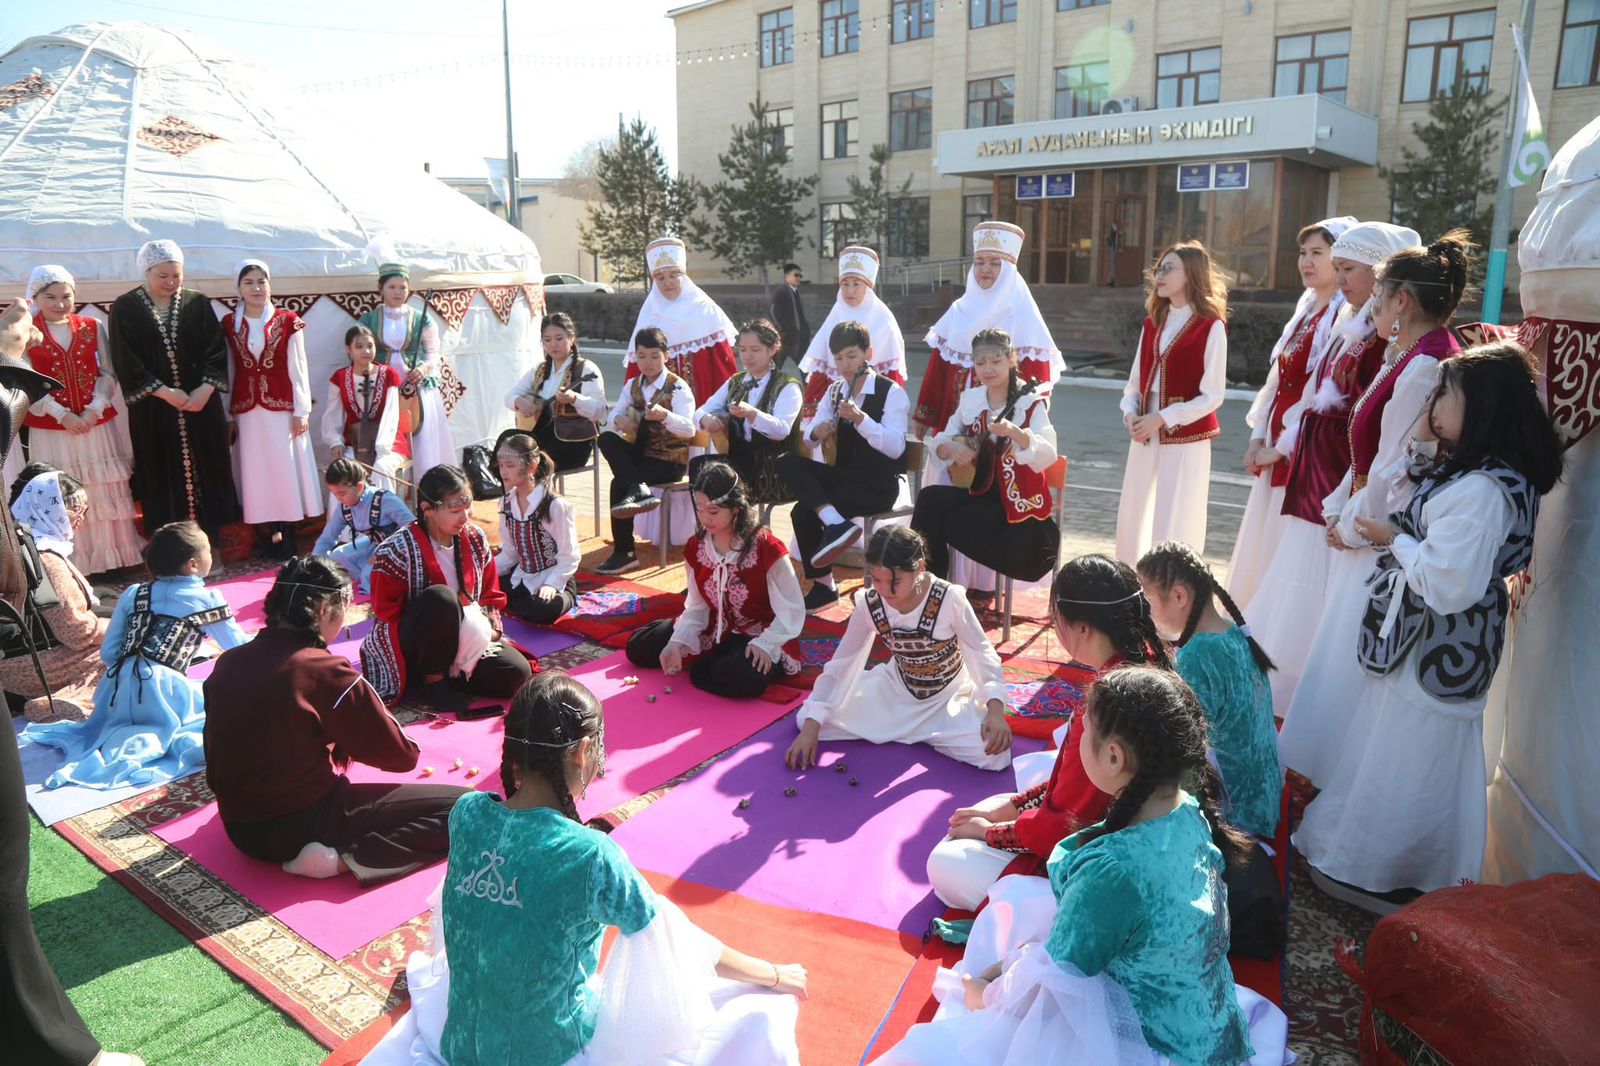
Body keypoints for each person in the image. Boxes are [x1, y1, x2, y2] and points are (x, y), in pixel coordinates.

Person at [360, 671, 806, 1066]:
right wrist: (772, 973)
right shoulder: (589, 854)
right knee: (758, 1014)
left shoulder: (468, 813)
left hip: (460, 1046)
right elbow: (672, 939)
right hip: (546, 1054)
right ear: (584, 750)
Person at [883, 667, 1286, 1066]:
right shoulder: (1188, 812)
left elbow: (1052, 986)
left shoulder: (1112, 869)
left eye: (1083, 732)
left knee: (943, 1042)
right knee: (1019, 917)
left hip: (1157, 1046)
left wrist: (983, 994)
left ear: (1114, 756)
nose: (1077, 741)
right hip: (1206, 1024)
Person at [1294, 342, 1563, 906]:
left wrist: (1395, 539)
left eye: (1446, 394)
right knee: (1390, 749)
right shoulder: (1474, 469)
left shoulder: (1485, 490)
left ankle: (1393, 871)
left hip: (1442, 643)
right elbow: (1411, 478)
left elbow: (1450, 583)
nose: (1433, 403)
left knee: (1412, 758)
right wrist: (1429, 418)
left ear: (1483, 408)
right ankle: (1376, 862)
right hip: (1423, 641)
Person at [0, 300, 147, 1066]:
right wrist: (119, 625)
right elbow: (69, 631)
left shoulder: (38, 544)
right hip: (37, 668)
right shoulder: (46, 559)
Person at [1278, 233, 1473, 784]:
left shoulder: (1424, 367)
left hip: (1383, 532)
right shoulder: (1406, 356)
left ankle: (1331, 772)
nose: (1373, 306)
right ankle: (1323, 766)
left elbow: (1401, 468)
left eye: (1380, 295)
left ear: (1402, 301)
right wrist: (1339, 505)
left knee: (1350, 653)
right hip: (1367, 513)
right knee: (1338, 650)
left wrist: (1358, 527)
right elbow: (1369, 449)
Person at [204, 556, 470, 884]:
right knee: (466, 807)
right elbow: (402, 756)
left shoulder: (228, 662)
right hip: (299, 827)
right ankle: (344, 860)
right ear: (324, 610)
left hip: (238, 827)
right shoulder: (325, 671)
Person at [926, 555, 1169, 911]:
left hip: (1104, 871)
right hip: (1133, 837)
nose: (1056, 629)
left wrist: (989, 832)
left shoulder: (1106, 706)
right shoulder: (1148, 662)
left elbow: (1066, 828)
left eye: (1057, 621)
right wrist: (1009, 809)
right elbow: (1071, 787)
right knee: (997, 803)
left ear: (1083, 629)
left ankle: (1038, 914)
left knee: (945, 862)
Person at [1245, 222, 1418, 714]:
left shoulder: (1380, 335)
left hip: (1341, 467)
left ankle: (1303, 685)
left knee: (1321, 575)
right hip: (1317, 462)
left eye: (1348, 268)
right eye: (1335, 267)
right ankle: (1281, 676)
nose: (1338, 278)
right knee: (1298, 567)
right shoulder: (1349, 322)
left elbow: (1368, 410)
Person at [22, 521, 248, 790]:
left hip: (113, 691)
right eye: (208, 549)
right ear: (193, 565)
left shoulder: (133, 594)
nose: (212, 553)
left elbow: (109, 653)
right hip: (165, 691)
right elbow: (239, 650)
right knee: (231, 719)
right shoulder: (207, 599)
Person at [787, 527, 1012, 772]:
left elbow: (981, 652)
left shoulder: (949, 598)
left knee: (993, 754)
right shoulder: (869, 604)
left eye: (894, 581)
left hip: (949, 698)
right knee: (807, 720)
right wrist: (812, 728)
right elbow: (843, 662)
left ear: (919, 567)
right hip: (896, 693)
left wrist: (995, 710)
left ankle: (912, 731)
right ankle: (918, 733)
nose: (885, 590)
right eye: (877, 580)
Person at [1226, 218, 1356, 608]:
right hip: (1274, 445)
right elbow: (1276, 380)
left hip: (1302, 452)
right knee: (1260, 541)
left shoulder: (1341, 317)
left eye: (1318, 252)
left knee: (1282, 545)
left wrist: (1281, 448)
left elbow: (1321, 393)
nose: (1307, 261)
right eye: (1303, 252)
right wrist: (1257, 437)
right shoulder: (1305, 310)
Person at [1136, 542, 1283, 841]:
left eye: (1147, 600)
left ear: (1179, 596)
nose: (1145, 611)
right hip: (1265, 796)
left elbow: (1184, 749)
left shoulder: (1198, 654)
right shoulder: (1230, 631)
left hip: (1236, 814)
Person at [360, 465, 534, 713]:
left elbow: (490, 596)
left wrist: (489, 630)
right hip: (417, 641)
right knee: (441, 598)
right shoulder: (395, 550)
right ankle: (432, 679)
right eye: (455, 510)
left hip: (465, 639)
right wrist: (442, 624)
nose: (465, 517)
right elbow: (386, 613)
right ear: (428, 509)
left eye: (467, 508)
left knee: (517, 673)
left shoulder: (474, 538)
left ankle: (454, 673)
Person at [625, 461, 804, 699]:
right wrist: (678, 641)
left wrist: (766, 643)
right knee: (639, 647)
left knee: (745, 677)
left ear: (736, 509)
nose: (704, 518)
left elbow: (792, 609)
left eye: (713, 512)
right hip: (712, 626)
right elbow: (697, 606)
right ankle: (708, 658)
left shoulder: (766, 549)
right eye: (699, 509)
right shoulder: (696, 547)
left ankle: (709, 663)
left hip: (757, 633)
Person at [109, 239, 240, 546]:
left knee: (206, 466)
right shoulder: (125, 307)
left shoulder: (198, 302)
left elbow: (216, 350)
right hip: (154, 408)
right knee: (161, 470)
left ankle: (210, 543)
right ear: (146, 272)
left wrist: (205, 390)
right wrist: (165, 392)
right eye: (162, 276)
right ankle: (172, 549)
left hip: (200, 404)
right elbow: (125, 359)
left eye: (176, 275)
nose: (170, 282)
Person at [777, 319, 909, 612]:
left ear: (868, 354)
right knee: (786, 462)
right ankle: (833, 537)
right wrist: (817, 432)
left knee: (804, 511)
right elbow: (809, 438)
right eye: (838, 358)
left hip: (877, 484)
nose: (845, 364)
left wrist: (862, 420)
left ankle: (826, 577)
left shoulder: (891, 392)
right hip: (843, 477)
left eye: (852, 356)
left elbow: (896, 447)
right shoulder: (835, 390)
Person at [913, 327, 1059, 584]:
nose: (988, 369)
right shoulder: (971, 399)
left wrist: (1017, 433)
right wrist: (952, 448)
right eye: (981, 362)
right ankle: (928, 584)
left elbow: (1048, 454)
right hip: (981, 499)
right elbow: (941, 441)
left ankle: (934, 586)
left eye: (996, 361)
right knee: (929, 500)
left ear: (1011, 360)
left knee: (937, 521)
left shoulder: (1031, 402)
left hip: (1017, 515)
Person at [22, 266, 144, 574]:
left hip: (94, 424)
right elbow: (25, 380)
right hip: (53, 428)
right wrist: (61, 414)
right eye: (50, 297)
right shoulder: (26, 331)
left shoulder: (92, 325)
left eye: (66, 296)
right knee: (61, 491)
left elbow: (108, 371)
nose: (60, 304)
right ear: (35, 297)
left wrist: (94, 409)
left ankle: (114, 559)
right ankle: (72, 564)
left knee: (100, 490)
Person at [1114, 241, 1229, 565]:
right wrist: (1130, 414)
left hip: (1185, 438)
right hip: (1144, 431)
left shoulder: (1211, 326)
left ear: (1191, 274)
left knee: (1174, 515)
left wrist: (1163, 417)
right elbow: (1135, 383)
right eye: (1159, 268)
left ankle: (1171, 588)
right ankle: (1130, 584)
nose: (1159, 274)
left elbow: (1213, 394)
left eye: (1169, 268)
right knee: (1134, 512)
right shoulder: (1153, 323)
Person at [913, 221, 1064, 440]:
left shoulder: (1023, 314)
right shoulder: (958, 310)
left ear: (1008, 270)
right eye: (979, 262)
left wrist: (1022, 426)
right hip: (953, 418)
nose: (985, 269)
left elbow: (1035, 379)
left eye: (994, 263)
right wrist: (925, 416)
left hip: (1003, 423)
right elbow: (938, 368)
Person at [222, 259, 323, 559]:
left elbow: (298, 366)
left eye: (261, 281)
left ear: (270, 285)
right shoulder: (230, 324)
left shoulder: (288, 320)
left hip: (280, 406)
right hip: (247, 409)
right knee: (256, 470)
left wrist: (301, 411)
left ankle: (288, 532)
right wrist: (228, 413)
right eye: (249, 282)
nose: (256, 288)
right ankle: (267, 533)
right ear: (238, 288)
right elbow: (229, 368)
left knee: (283, 468)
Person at [0, 471, 109, 722]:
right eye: (72, 508)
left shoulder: (22, 542)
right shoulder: (47, 557)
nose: (80, 517)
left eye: (84, 509)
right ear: (48, 510)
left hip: (18, 660)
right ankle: (65, 701)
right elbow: (76, 633)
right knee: (128, 650)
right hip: (31, 666)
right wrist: (119, 627)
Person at [592, 326, 696, 576]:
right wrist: (621, 421)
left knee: (619, 484)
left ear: (666, 356)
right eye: (641, 356)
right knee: (605, 438)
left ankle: (624, 553)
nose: (647, 363)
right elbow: (615, 412)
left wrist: (666, 416)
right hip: (641, 455)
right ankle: (638, 487)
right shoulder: (632, 384)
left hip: (669, 460)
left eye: (653, 356)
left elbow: (690, 429)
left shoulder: (678, 387)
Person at [691, 318, 804, 505]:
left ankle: (738, 529)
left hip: (771, 466)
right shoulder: (736, 382)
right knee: (699, 466)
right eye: (743, 350)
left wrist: (753, 414)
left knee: (723, 481)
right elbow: (700, 412)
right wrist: (707, 419)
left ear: (773, 349)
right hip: (740, 459)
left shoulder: (787, 386)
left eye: (755, 350)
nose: (747, 356)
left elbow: (782, 430)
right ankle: (708, 526)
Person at [359, 263, 454, 481]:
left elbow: (433, 352)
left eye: (403, 287)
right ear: (380, 288)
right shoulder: (368, 320)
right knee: (388, 437)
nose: (398, 292)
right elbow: (358, 351)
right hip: (383, 388)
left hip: (417, 388)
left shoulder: (422, 318)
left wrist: (422, 368)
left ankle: (426, 487)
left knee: (421, 438)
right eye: (392, 287)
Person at [795, 246, 907, 422]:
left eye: (856, 284)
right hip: (833, 406)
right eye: (845, 284)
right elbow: (822, 370)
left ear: (867, 286)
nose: (850, 290)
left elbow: (892, 373)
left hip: (873, 406)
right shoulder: (834, 317)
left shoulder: (883, 320)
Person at [623, 237, 739, 405]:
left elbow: (723, 367)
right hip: (659, 412)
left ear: (683, 276)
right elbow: (636, 372)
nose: (667, 282)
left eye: (673, 275)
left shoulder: (706, 310)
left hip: (705, 406)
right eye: (660, 278)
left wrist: (724, 409)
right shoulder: (648, 317)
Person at [504, 311, 608, 474]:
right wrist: (520, 402)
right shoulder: (539, 370)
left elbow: (599, 411)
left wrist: (575, 399)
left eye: (559, 338)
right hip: (540, 439)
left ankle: (539, 498)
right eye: (547, 340)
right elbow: (509, 397)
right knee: (505, 445)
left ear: (571, 338)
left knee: (528, 462)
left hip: (573, 443)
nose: (553, 344)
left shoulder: (586, 368)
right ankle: (513, 498)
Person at [495, 433, 579, 624]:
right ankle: (520, 599)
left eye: (510, 466)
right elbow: (510, 554)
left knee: (544, 608)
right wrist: (484, 571)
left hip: (555, 575)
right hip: (523, 573)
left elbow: (569, 555)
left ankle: (564, 597)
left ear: (531, 467)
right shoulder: (506, 503)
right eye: (501, 466)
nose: (504, 472)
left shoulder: (554, 505)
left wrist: (552, 584)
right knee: (482, 586)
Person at [323, 324, 409, 493]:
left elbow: (391, 416)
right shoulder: (339, 378)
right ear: (349, 349)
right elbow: (332, 415)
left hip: (389, 443)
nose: (366, 351)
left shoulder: (389, 375)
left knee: (382, 467)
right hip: (354, 443)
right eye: (359, 347)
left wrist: (381, 448)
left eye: (370, 346)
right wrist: (336, 442)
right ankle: (347, 518)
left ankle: (385, 516)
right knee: (344, 470)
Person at [313, 458, 415, 596]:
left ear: (360, 487)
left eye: (342, 493)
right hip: (373, 547)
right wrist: (314, 566)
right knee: (338, 556)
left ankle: (372, 579)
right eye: (335, 494)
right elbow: (327, 538)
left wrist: (384, 550)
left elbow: (413, 529)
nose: (339, 499)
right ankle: (368, 573)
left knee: (369, 577)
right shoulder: (344, 507)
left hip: (398, 549)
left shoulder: (385, 500)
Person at [770, 260, 811, 364]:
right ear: (787, 275)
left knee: (803, 366)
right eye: (796, 275)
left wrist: (805, 331)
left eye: (800, 275)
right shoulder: (782, 291)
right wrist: (782, 329)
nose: (798, 278)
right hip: (787, 338)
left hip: (799, 337)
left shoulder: (794, 291)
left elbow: (798, 315)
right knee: (776, 366)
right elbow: (773, 311)